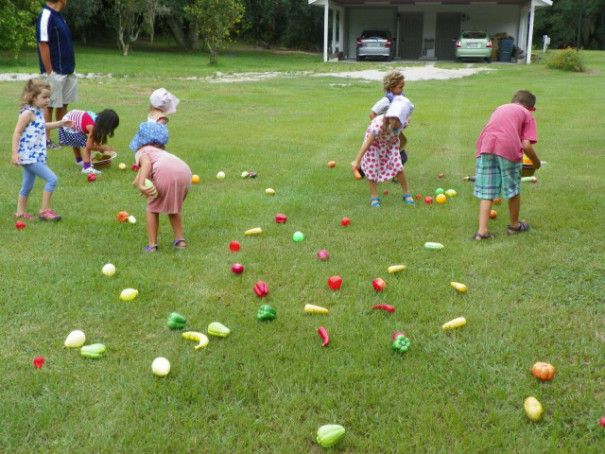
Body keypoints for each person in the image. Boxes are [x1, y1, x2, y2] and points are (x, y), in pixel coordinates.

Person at [472, 90, 540, 240]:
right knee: (513, 189)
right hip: (507, 147)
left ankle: (482, 232)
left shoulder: (501, 107)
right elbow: (526, 145)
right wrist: (536, 163)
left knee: (487, 191)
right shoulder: (527, 114)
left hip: (485, 146)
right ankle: (515, 226)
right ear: (531, 108)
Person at [11, 79, 72, 221]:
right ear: (33, 97)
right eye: (44, 97)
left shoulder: (38, 111)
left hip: (35, 155)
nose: (48, 100)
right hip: (28, 156)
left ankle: (20, 213)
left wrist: (61, 123)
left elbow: (42, 126)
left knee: (27, 184)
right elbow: (17, 133)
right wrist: (15, 154)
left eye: (48, 97)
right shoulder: (27, 113)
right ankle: (44, 211)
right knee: (52, 179)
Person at [129, 122, 192, 252]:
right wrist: (140, 181)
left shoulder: (142, 150)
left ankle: (152, 245)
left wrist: (141, 184)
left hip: (165, 173)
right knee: (173, 208)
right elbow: (142, 173)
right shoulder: (161, 152)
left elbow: (146, 164)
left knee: (152, 209)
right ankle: (180, 240)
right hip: (185, 173)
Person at [351, 100, 414, 207]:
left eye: (399, 121)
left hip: (390, 144)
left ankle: (406, 194)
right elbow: (367, 144)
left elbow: (410, 109)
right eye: (394, 120)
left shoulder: (402, 122)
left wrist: (406, 118)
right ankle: (374, 197)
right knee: (372, 168)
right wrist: (357, 161)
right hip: (374, 145)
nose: (397, 124)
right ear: (389, 117)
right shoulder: (378, 126)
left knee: (398, 166)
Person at [36, 0, 76, 150]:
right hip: (55, 72)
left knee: (63, 103)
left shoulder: (59, 16)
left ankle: (63, 137)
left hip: (67, 69)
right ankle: (46, 140)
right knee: (49, 105)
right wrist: (49, 72)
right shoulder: (46, 15)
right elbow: (43, 44)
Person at [58, 109, 120, 175]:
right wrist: (103, 148)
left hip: (69, 119)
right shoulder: (92, 127)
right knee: (84, 142)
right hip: (67, 124)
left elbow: (94, 140)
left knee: (78, 140)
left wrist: (100, 148)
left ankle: (79, 160)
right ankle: (86, 168)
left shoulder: (97, 120)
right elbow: (89, 146)